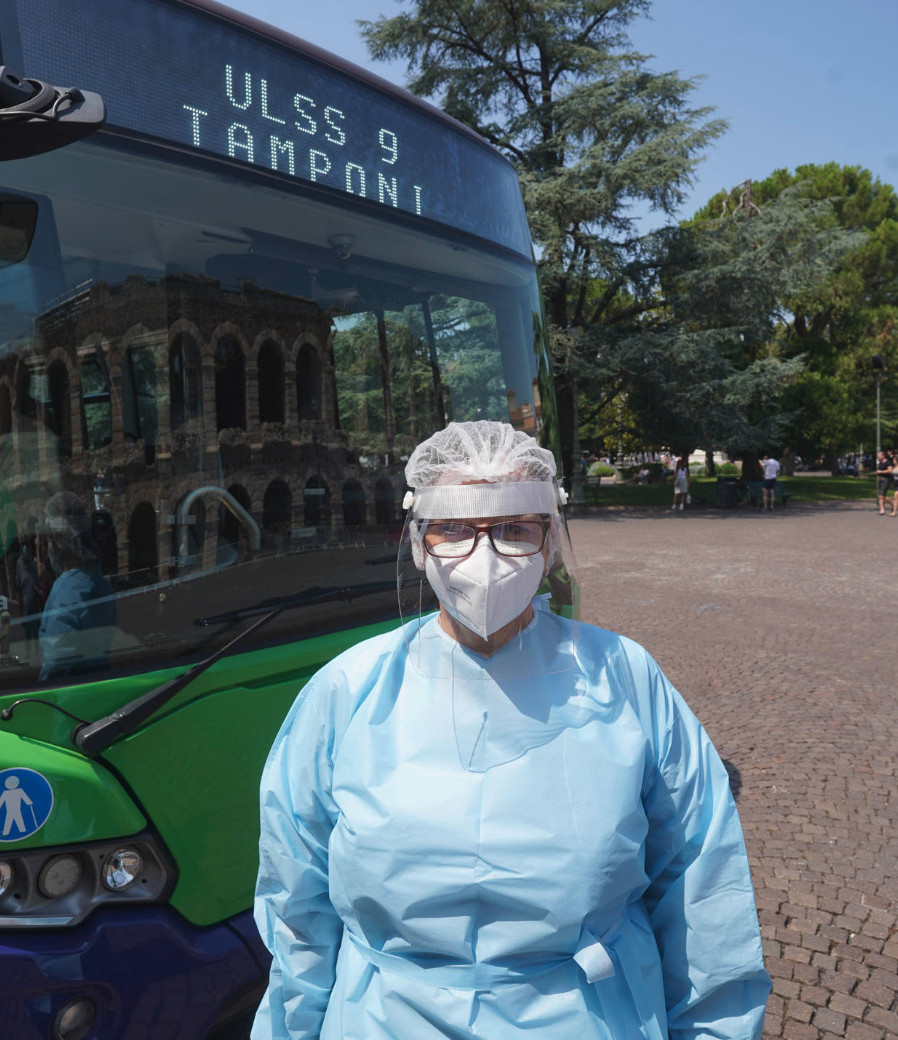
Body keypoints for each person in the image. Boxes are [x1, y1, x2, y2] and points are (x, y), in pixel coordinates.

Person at [252, 420, 771, 1040]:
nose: (485, 558)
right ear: (417, 540)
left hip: (587, 1016)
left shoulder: (623, 678)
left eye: (514, 529)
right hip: (385, 1020)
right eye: (453, 529)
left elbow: (702, 884)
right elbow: (296, 901)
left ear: (549, 541)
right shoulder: (348, 690)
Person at [38, 491, 117, 680]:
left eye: (50, 540)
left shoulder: (66, 591)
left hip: (72, 691)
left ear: (58, 543)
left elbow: (56, 662)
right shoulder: (102, 585)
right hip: (100, 682)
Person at [875, 451, 894, 515]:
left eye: (879, 456)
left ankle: (893, 505)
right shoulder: (881, 462)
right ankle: (882, 510)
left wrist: (881, 472)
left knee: (882, 495)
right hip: (881, 479)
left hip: (886, 480)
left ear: (883, 456)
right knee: (880, 496)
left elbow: (890, 470)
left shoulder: (888, 462)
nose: (878, 457)